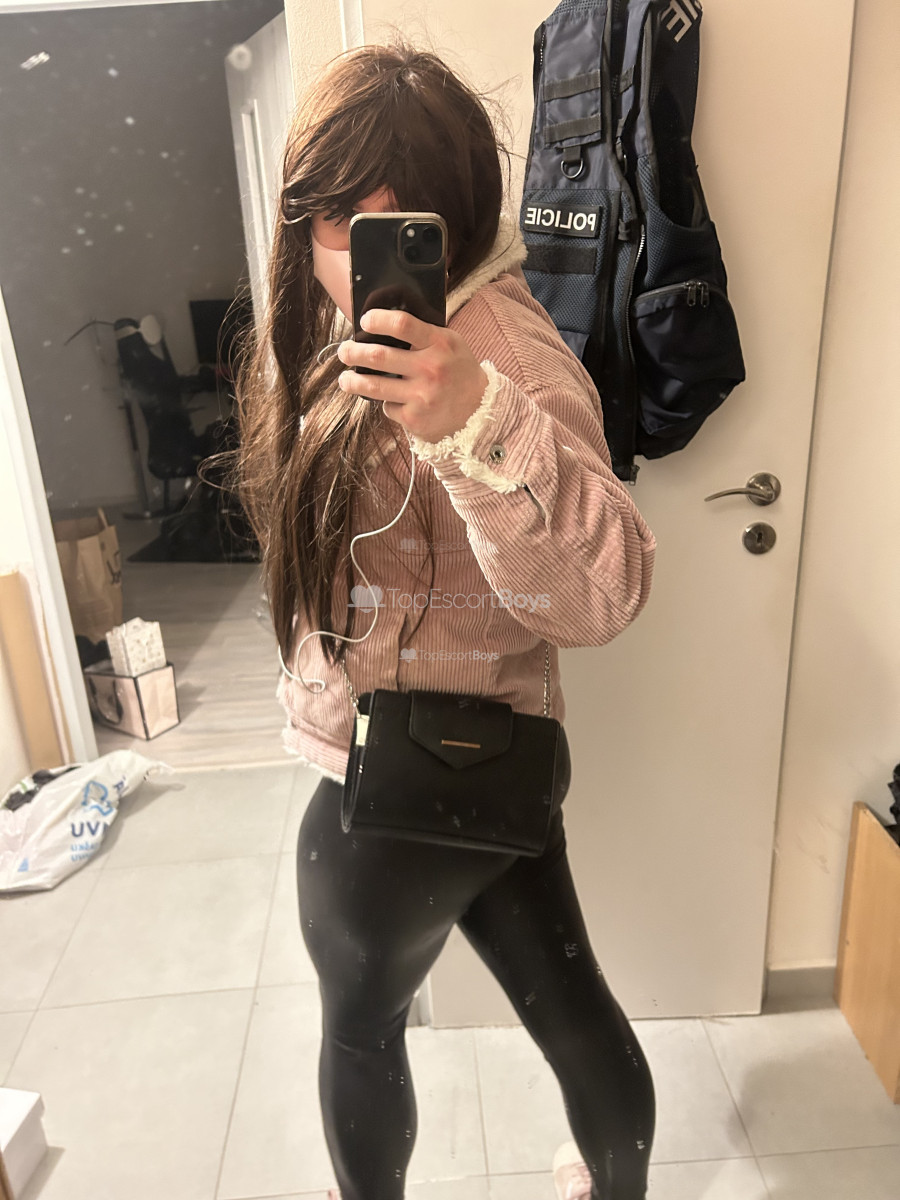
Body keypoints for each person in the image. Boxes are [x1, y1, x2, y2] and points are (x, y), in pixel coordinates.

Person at [235, 40, 658, 1200]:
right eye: (335, 222)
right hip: (489, 766)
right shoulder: (357, 333)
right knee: (573, 1011)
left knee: (362, 1032)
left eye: (399, 228)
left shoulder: (498, 359)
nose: (355, 257)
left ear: (456, 218)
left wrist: (476, 420)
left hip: (396, 791)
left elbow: (610, 586)